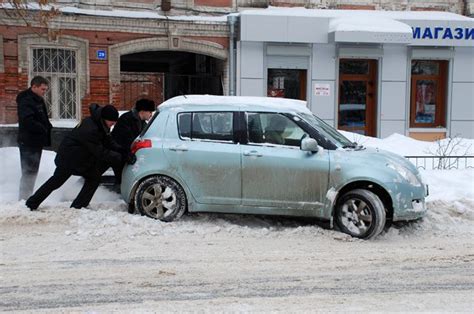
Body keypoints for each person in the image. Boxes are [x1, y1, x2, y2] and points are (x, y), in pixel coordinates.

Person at [25, 104, 124, 210]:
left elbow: (107, 140)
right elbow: (99, 151)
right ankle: (32, 203)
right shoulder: (90, 128)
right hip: (69, 158)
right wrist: (119, 156)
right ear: (104, 118)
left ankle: (78, 205)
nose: (113, 124)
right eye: (112, 122)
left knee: (93, 177)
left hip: (78, 157)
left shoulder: (99, 124)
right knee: (57, 182)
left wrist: (121, 149)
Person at [17, 76, 53, 200]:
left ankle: (27, 196)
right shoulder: (26, 100)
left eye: (45, 90)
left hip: (36, 140)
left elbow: (41, 116)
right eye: (42, 89)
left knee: (32, 170)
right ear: (34, 87)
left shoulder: (37, 99)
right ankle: (24, 198)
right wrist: (43, 128)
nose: (44, 92)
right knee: (29, 171)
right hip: (28, 141)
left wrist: (47, 125)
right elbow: (28, 121)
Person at [111, 98, 155, 183]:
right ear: (142, 111)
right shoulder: (126, 119)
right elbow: (123, 141)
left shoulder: (142, 122)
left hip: (127, 155)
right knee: (122, 181)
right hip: (120, 156)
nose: (151, 114)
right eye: (150, 112)